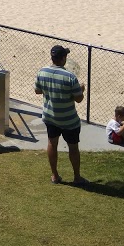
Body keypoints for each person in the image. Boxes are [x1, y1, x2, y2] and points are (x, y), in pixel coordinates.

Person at [34, 44, 87, 186]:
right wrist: (81, 89)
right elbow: (79, 99)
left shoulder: (42, 71)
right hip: (69, 120)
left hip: (50, 117)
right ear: (63, 58)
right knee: (73, 147)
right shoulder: (70, 77)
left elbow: (38, 91)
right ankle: (77, 177)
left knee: (52, 143)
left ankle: (54, 175)